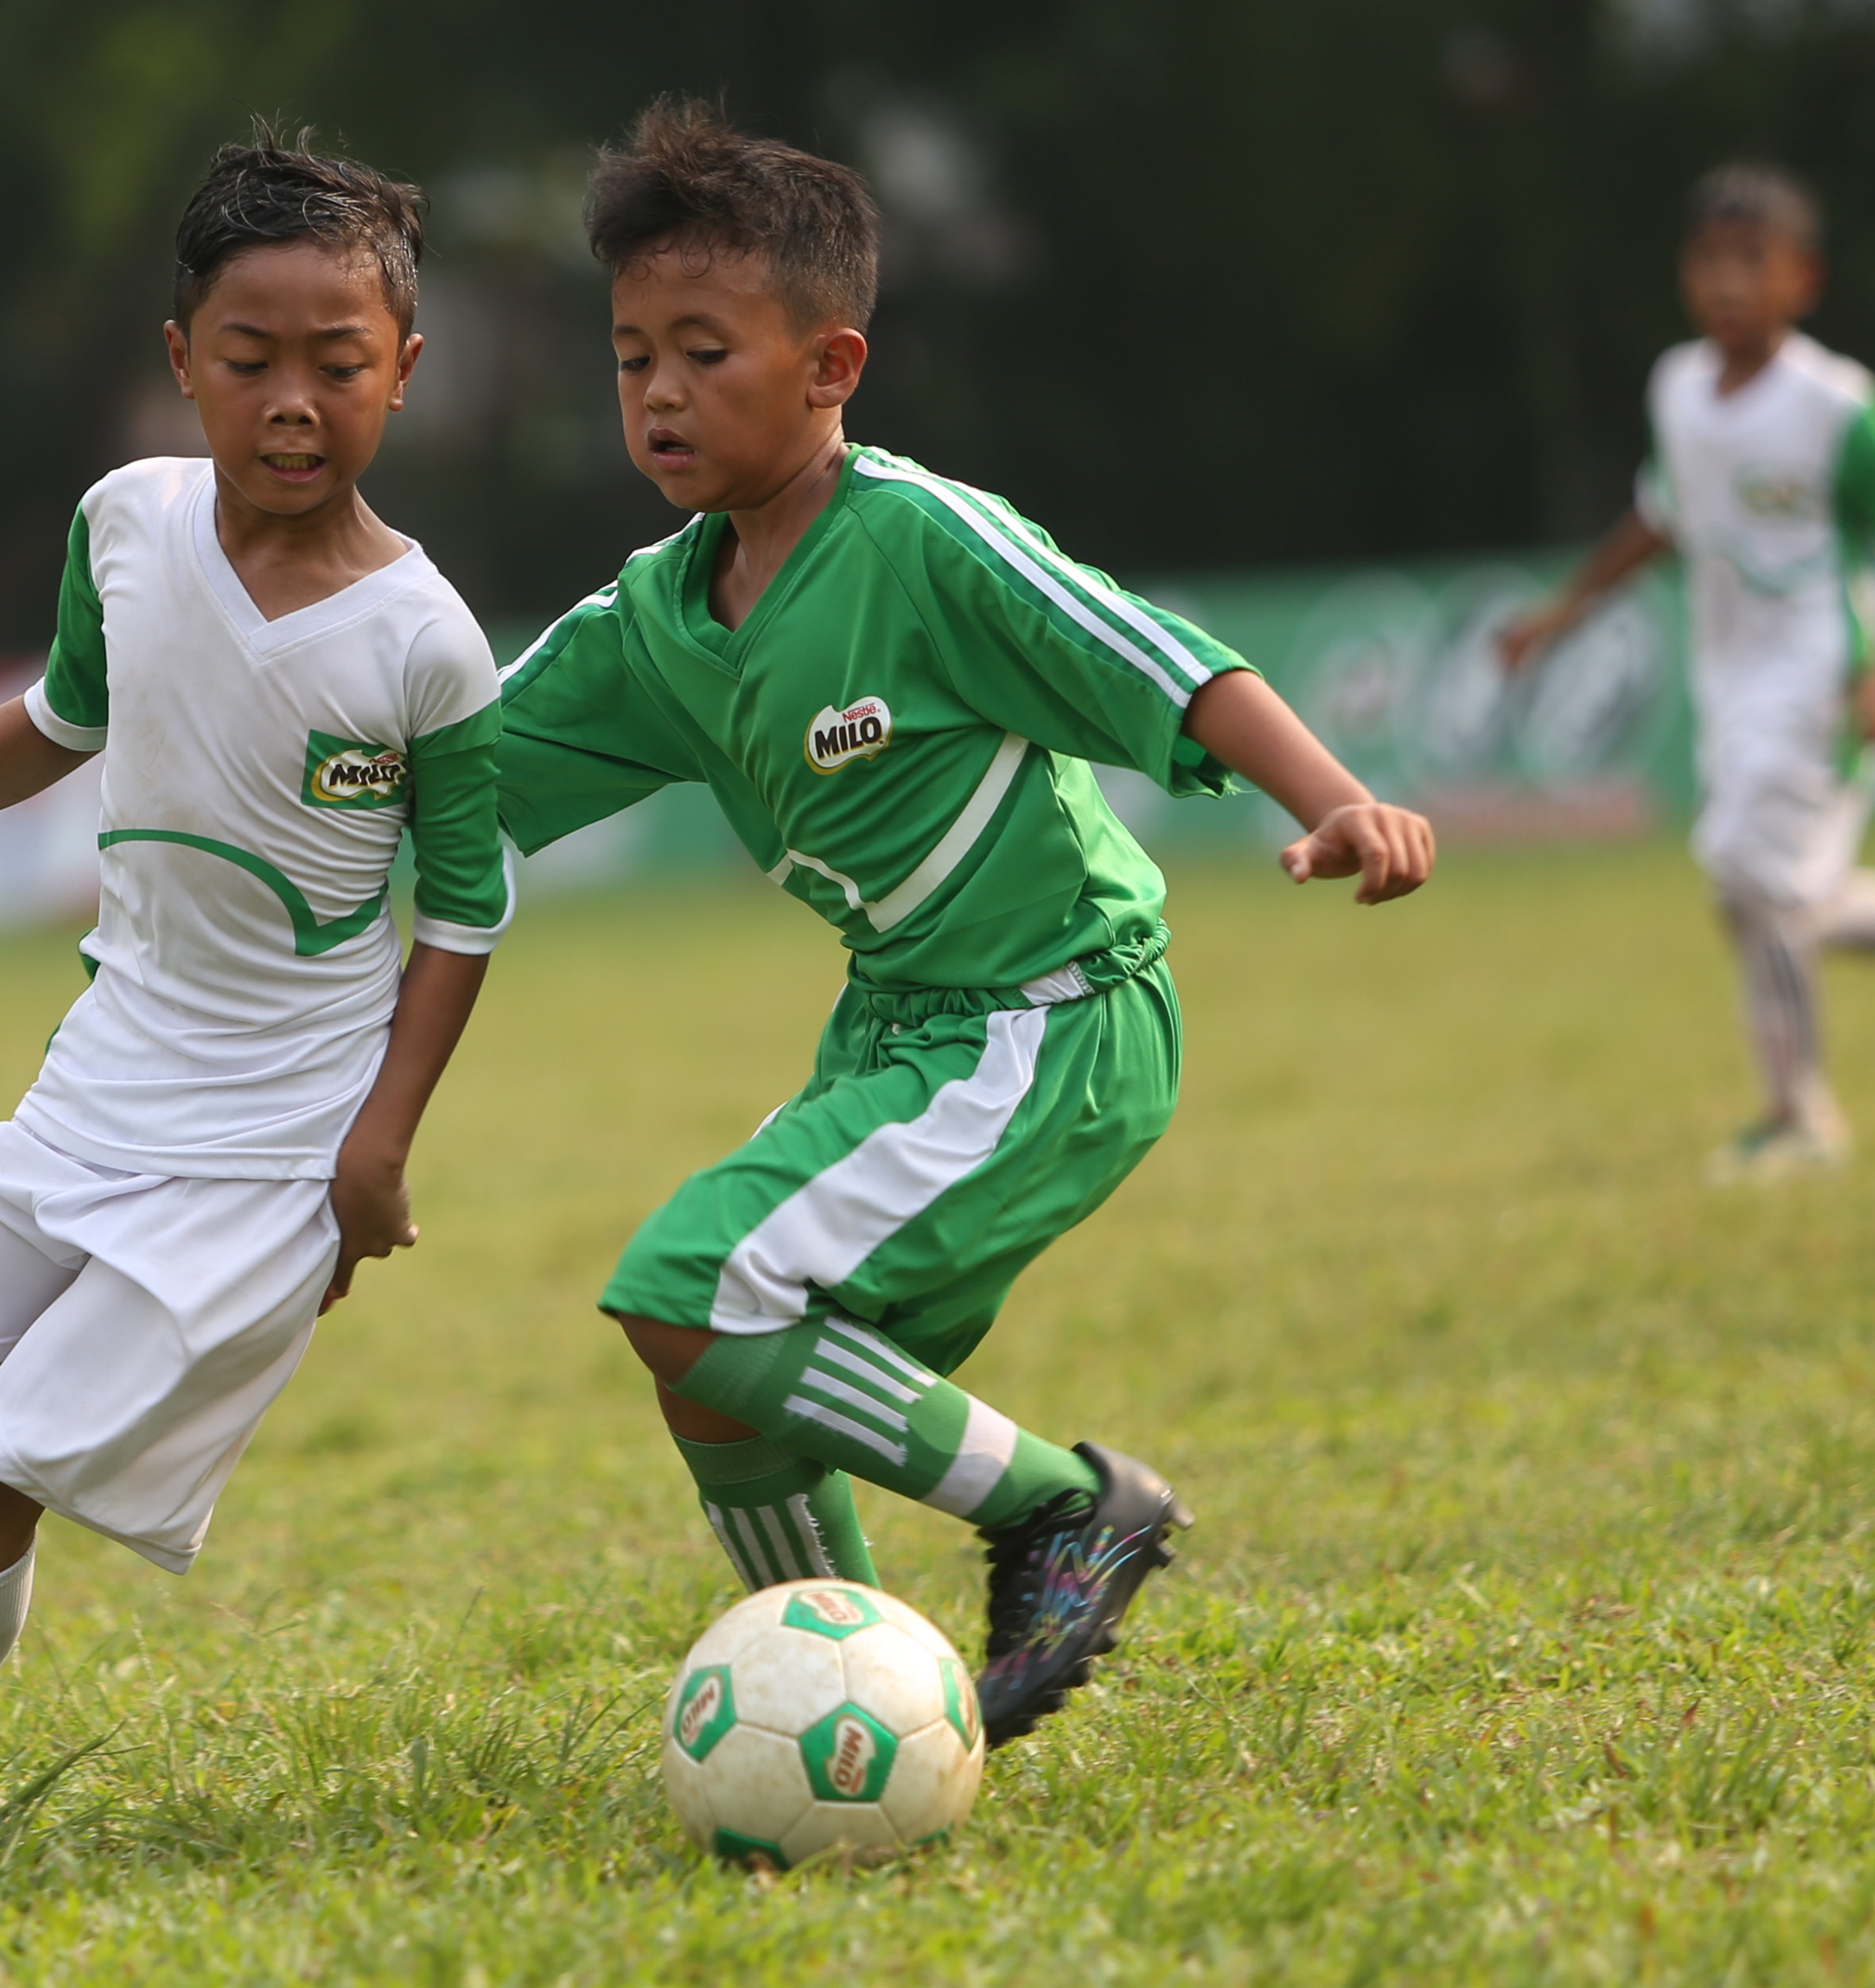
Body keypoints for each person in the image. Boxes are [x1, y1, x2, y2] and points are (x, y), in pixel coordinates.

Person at [497, 101, 1435, 1748]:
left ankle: (1069, 1506)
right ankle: (832, 1688)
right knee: (712, 1366)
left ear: (828, 365)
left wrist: (1335, 799)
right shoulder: (650, 619)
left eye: (703, 350)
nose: (655, 390)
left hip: (1051, 1016)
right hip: (899, 1031)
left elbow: (1163, 658)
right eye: (631, 352)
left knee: (692, 1287)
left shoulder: (921, 540)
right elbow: (459, 776)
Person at [0, 135, 509, 1853]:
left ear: (406, 373)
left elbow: (465, 909)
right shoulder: (125, 523)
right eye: (250, 359)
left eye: (338, 363)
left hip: (275, 1136)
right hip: (104, 1075)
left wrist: (376, 1148)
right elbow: (61, 718)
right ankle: (66, 1388)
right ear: (180, 361)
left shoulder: (428, 643)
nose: (292, 401)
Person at [1501, 162, 1875, 1184]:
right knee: (1771, 902)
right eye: (1708, 262)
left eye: (1751, 262)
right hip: (1730, 680)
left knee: (1749, 876)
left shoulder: (1834, 405)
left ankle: (1801, 1117)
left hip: (1818, 676)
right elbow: (1662, 517)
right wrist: (1563, 612)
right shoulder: (1676, 388)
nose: (1727, 283)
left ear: (1801, 280)